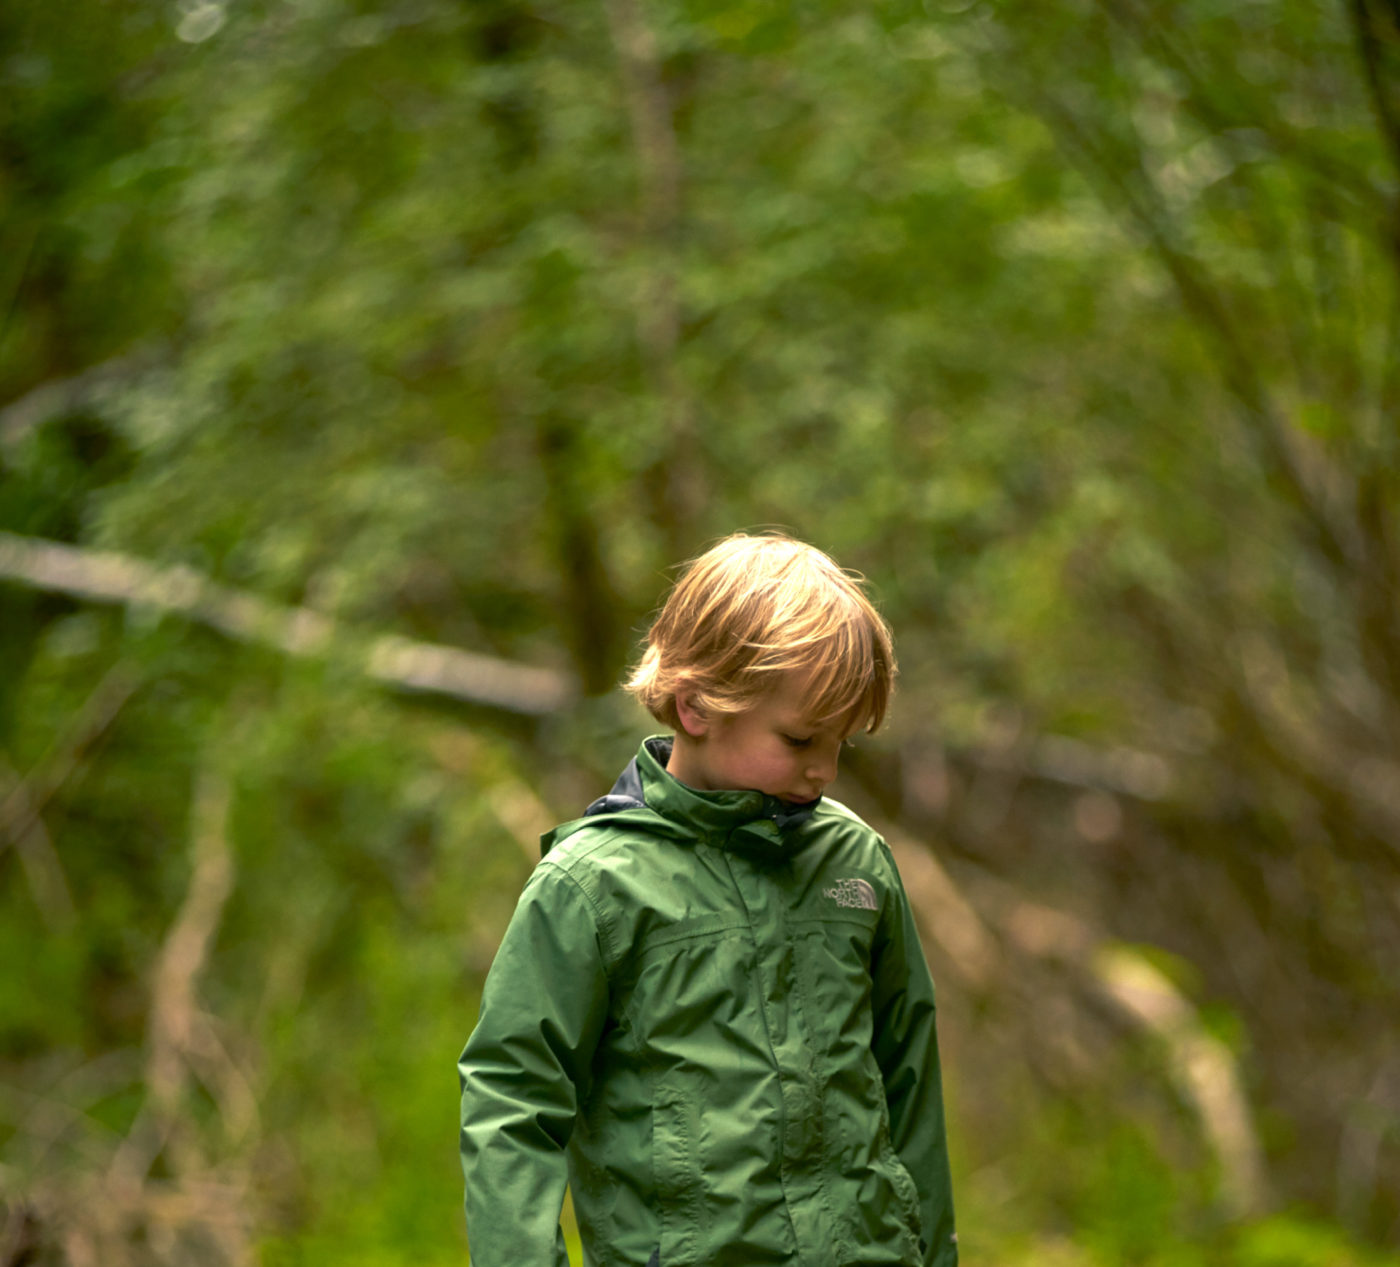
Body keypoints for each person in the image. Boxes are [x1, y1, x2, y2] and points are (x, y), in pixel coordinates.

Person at [458, 532, 958, 1267]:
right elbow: (512, 1102)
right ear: (696, 706)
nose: (824, 768)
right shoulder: (591, 885)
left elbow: (908, 1078)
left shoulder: (856, 865)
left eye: (841, 742)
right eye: (799, 739)